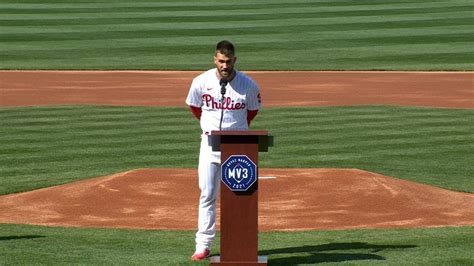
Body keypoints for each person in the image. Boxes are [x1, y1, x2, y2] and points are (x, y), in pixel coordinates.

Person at [185, 40, 261, 261]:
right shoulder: (200, 82)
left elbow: (252, 112)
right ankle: (203, 244)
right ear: (214, 60)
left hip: (238, 146)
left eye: (228, 61)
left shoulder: (248, 85)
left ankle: (239, 243)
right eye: (221, 61)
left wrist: (236, 131)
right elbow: (195, 107)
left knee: (239, 196)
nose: (224, 65)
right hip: (209, 144)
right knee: (207, 194)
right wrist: (209, 129)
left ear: (234, 60)